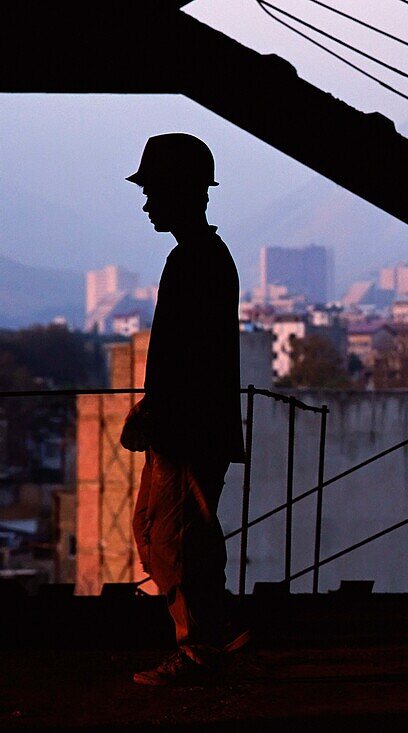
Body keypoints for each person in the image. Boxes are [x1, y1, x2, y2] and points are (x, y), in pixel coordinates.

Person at [120, 133, 247, 686]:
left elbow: (189, 358)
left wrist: (159, 413)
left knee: (171, 537)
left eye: (153, 191)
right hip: (188, 426)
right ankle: (215, 633)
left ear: (179, 191)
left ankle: (200, 649)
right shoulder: (201, 259)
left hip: (188, 430)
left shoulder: (196, 262)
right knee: (161, 531)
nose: (148, 203)